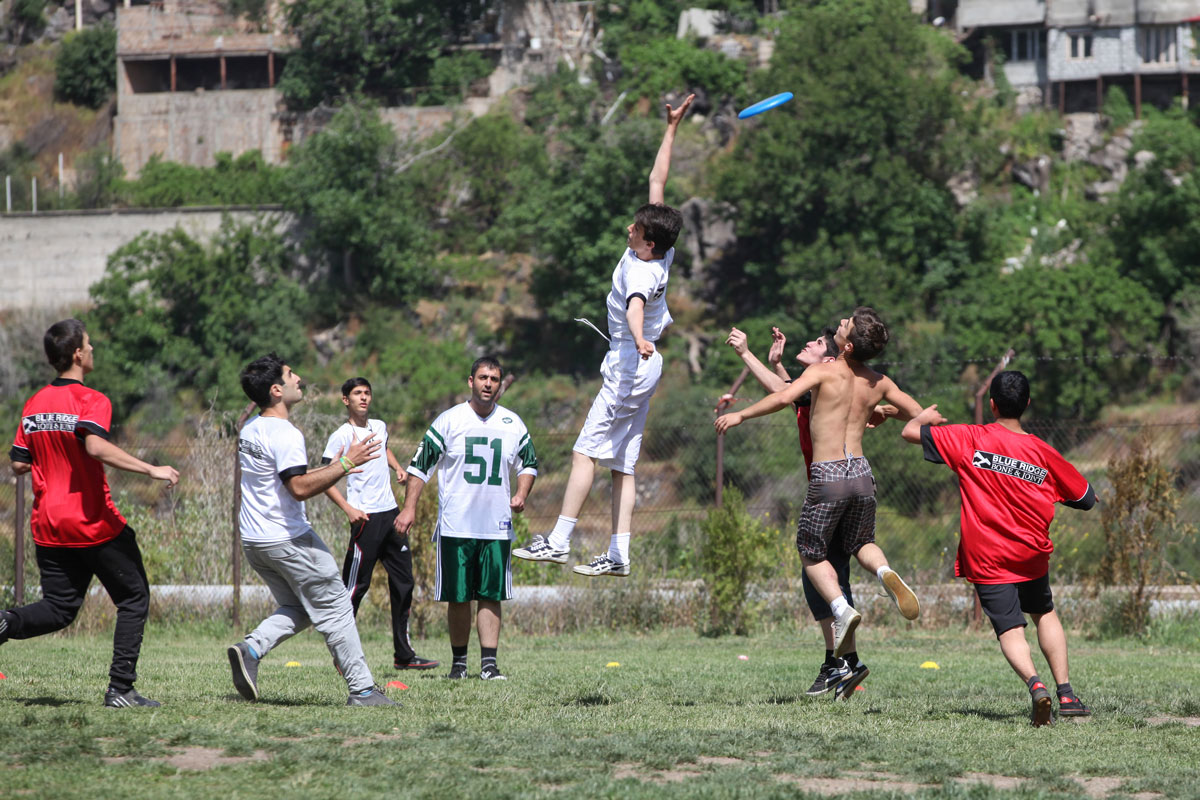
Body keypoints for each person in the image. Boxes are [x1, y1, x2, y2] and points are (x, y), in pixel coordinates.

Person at [513, 92, 695, 577]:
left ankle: (558, 540)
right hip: (647, 366)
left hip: (630, 361)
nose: (630, 227)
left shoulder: (640, 272)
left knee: (584, 452)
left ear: (647, 241)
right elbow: (658, 178)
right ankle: (619, 554)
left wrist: (636, 339)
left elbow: (635, 308)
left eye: (636, 228)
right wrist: (672, 127)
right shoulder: (662, 252)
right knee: (624, 465)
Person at [715, 307, 924, 666]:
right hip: (861, 472)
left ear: (842, 349)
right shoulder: (877, 381)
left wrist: (740, 414)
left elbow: (783, 396)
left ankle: (842, 619)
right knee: (862, 544)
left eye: (843, 326)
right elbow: (916, 413)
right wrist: (881, 411)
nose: (837, 324)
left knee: (812, 556)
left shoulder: (823, 373)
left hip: (828, 475)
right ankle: (885, 572)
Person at [902, 371, 1096, 726]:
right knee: (1044, 612)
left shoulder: (969, 437)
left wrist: (922, 418)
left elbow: (910, 432)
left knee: (1010, 628)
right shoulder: (1043, 451)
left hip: (988, 555)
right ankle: (1067, 693)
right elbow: (1085, 498)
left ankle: (1036, 687)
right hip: (1031, 553)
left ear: (991, 404)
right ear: (1027, 404)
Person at [2, 318, 179, 708]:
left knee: (59, 608)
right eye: (90, 344)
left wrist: (54, 459)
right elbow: (95, 448)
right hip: (90, 521)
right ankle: (120, 689)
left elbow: (18, 464)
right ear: (78, 354)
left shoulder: (34, 403)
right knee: (134, 597)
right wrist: (152, 469)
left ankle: (4, 623)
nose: (94, 349)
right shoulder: (91, 400)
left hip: (48, 523)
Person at [227, 353, 395, 706]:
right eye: (291, 375)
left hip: (255, 541)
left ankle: (251, 649)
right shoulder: (285, 433)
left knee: (299, 606)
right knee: (336, 606)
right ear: (276, 390)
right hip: (288, 538)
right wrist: (347, 463)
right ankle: (363, 690)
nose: (299, 378)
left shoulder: (250, 429)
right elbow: (299, 487)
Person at [727, 324, 872, 699]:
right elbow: (790, 390)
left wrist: (746, 354)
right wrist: (775, 363)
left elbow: (784, 394)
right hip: (848, 483)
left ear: (829, 359)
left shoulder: (823, 382)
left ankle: (841, 662)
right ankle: (841, 662)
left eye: (818, 342)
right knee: (829, 576)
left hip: (830, 486)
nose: (808, 342)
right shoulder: (821, 386)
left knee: (823, 575)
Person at [397, 357, 537, 680]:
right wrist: (410, 507)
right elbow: (420, 467)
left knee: (491, 594)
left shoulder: (513, 423)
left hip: (497, 526)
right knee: (459, 596)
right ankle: (459, 665)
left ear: (500, 385)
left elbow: (529, 463)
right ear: (470, 381)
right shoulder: (449, 421)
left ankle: (489, 665)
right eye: (483, 377)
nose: (489, 383)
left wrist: (521, 493)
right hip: (456, 526)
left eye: (495, 379)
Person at [320, 377, 438, 672]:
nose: (363, 398)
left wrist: (397, 467)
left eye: (367, 393)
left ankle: (404, 654)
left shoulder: (380, 426)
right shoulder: (341, 435)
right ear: (345, 400)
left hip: (391, 515)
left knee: (404, 582)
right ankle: (340, 652)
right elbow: (324, 475)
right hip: (365, 518)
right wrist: (348, 508)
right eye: (357, 393)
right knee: (354, 588)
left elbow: (382, 447)